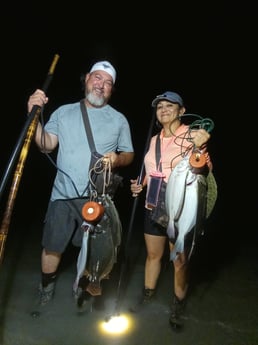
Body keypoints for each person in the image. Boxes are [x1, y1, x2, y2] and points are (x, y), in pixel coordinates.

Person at [27, 60, 134, 307]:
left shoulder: (119, 120)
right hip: (62, 194)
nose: (102, 85)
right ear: (86, 79)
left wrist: (118, 158)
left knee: (94, 247)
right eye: (97, 78)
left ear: (111, 90)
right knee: (53, 246)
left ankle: (84, 285)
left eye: (108, 83)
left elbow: (129, 154)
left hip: (98, 198)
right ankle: (46, 286)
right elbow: (45, 144)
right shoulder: (63, 112)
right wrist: (33, 116)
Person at [130, 91, 213, 331]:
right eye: (160, 107)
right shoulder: (154, 139)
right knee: (153, 255)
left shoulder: (192, 134)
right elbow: (152, 169)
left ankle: (177, 306)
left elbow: (204, 170)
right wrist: (140, 184)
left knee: (179, 260)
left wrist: (200, 147)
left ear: (182, 110)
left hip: (180, 206)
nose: (164, 109)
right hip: (153, 204)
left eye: (170, 105)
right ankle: (148, 296)